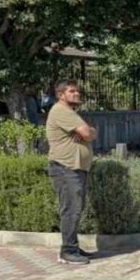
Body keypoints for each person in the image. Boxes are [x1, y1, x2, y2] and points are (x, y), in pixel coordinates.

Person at [45, 80, 96, 265]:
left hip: (75, 168)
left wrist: (87, 132)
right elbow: (88, 133)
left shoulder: (71, 113)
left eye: (77, 91)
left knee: (76, 209)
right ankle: (68, 251)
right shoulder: (61, 111)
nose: (77, 94)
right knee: (71, 210)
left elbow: (91, 133)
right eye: (72, 91)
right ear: (61, 95)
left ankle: (72, 246)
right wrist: (86, 132)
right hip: (65, 168)